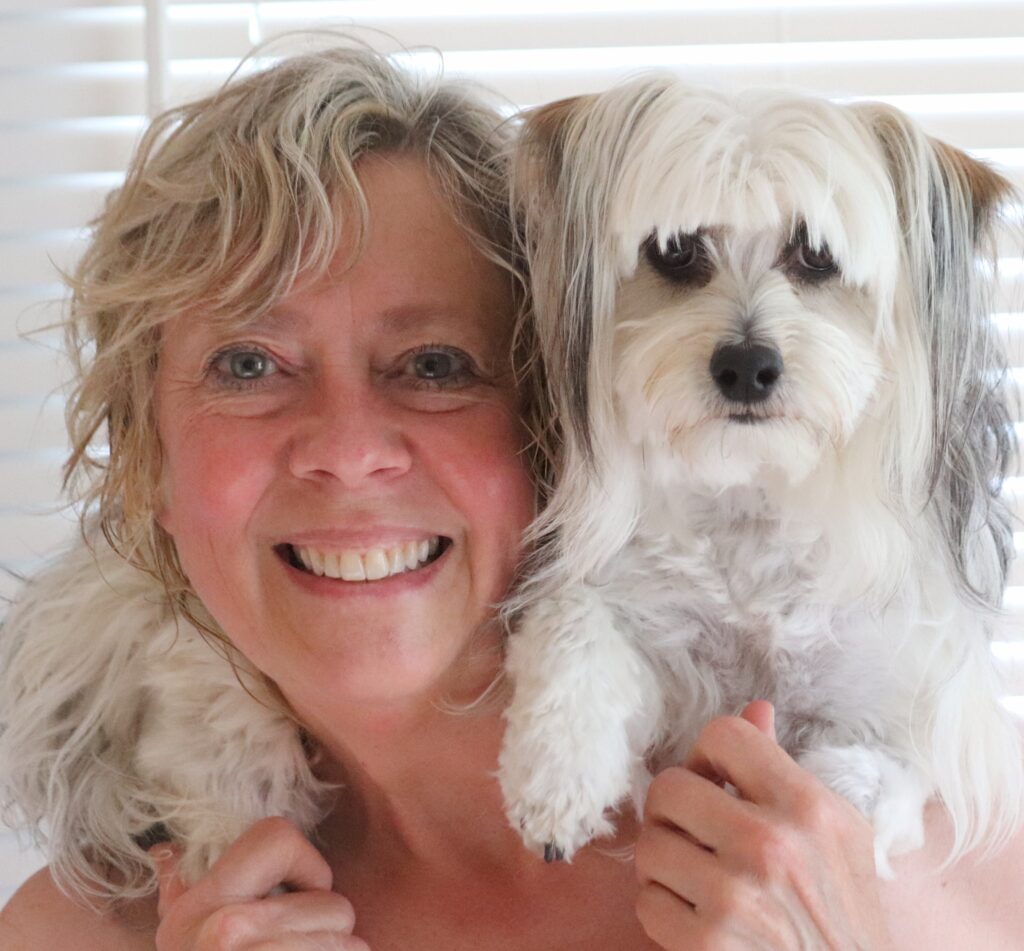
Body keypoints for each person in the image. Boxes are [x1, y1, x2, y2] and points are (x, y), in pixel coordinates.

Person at [1, 43, 1022, 951]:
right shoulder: (79, 932)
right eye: (249, 366)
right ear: (148, 468)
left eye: (435, 363)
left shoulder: (935, 884)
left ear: (561, 401)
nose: (349, 452)